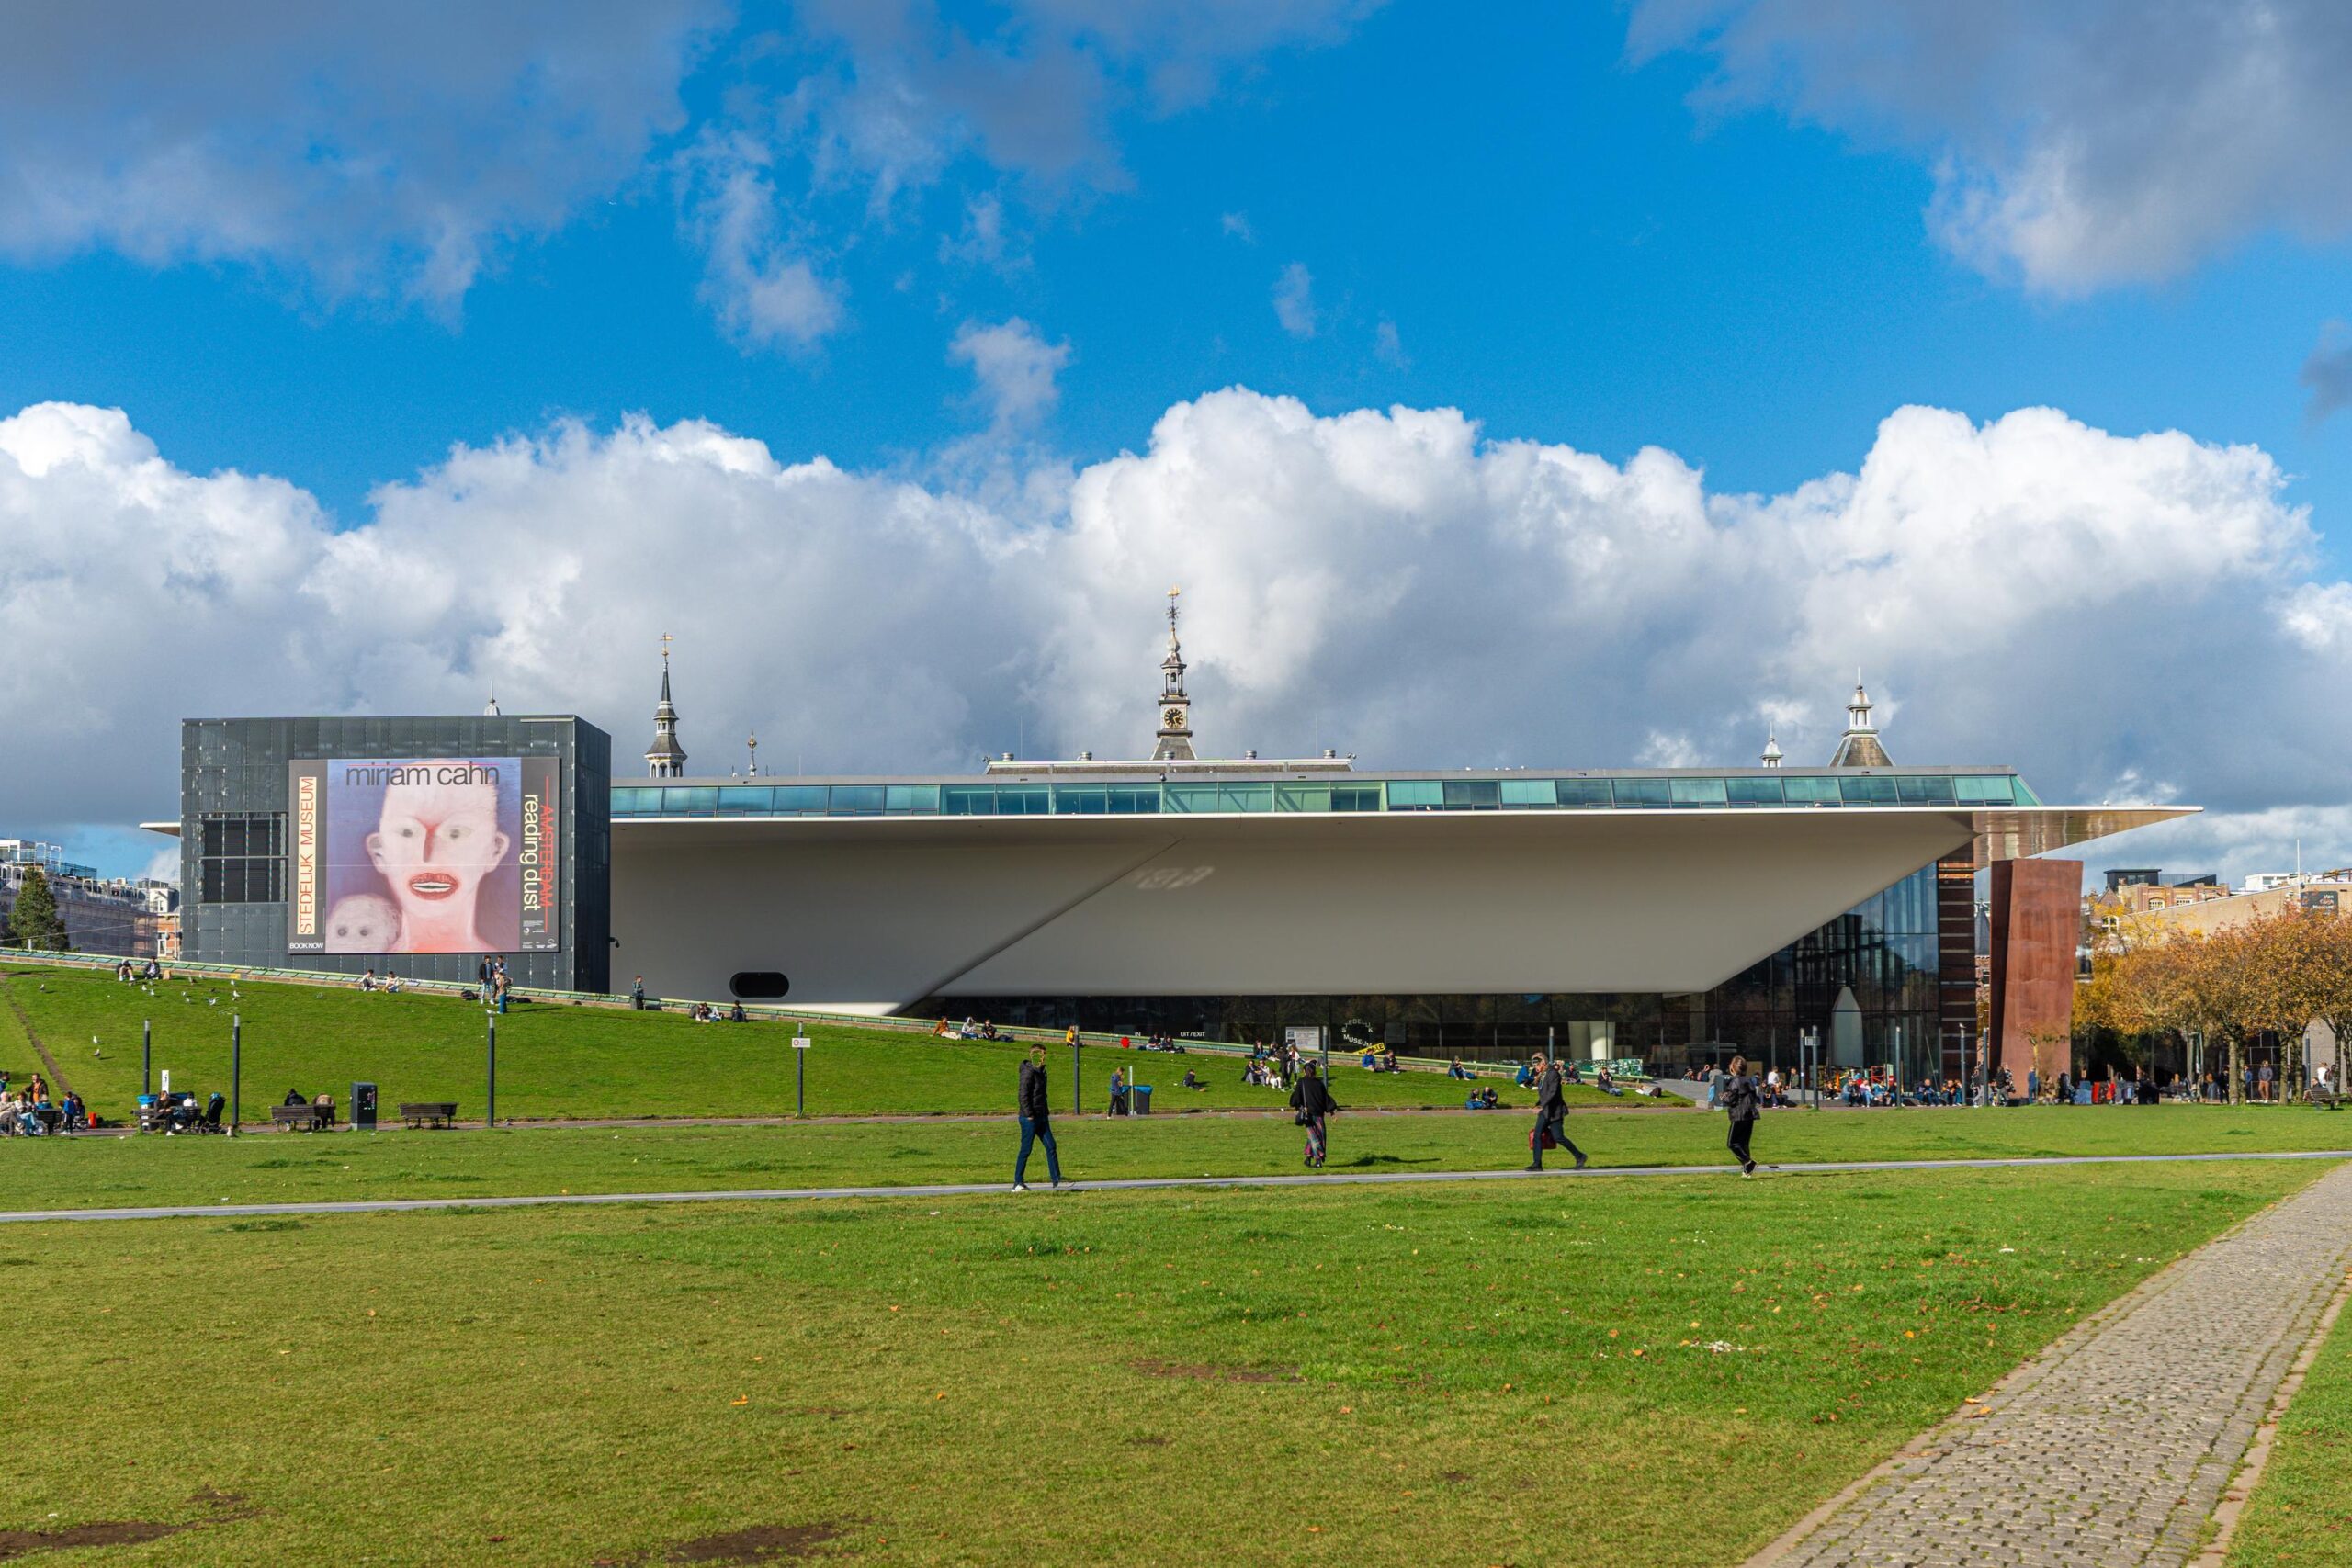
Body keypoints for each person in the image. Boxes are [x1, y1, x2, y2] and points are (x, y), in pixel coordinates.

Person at [1524, 1052, 1587, 1172]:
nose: (1536, 1068)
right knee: (1537, 1135)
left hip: (1555, 1111)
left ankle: (1580, 1156)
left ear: (1543, 1063)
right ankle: (1537, 1164)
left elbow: (1552, 1093)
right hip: (1545, 1111)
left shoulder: (1553, 1074)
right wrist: (1538, 1104)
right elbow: (1544, 1093)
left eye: (1537, 1065)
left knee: (1558, 1137)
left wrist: (1542, 1105)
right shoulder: (1542, 1075)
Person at [1013, 1044, 1062, 1191]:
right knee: (1026, 1149)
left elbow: (1041, 1095)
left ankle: (1057, 1180)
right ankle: (1017, 1182)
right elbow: (1023, 1095)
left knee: (1051, 1145)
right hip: (1030, 1119)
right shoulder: (1028, 1072)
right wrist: (1029, 1115)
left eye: (1043, 1055)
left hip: (1041, 1116)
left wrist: (1045, 1112)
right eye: (1039, 1054)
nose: (1042, 1058)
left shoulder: (1041, 1072)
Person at [1289, 1060, 1337, 1168]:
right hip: (1319, 1114)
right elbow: (1326, 1098)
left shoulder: (1301, 1082)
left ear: (1304, 1071)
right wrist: (1332, 1112)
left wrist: (1296, 1107)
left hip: (1308, 1115)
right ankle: (1308, 1158)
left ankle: (1318, 1159)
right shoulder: (1319, 1083)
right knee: (1318, 1136)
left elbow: (1297, 1097)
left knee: (1314, 1137)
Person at [1723, 1054, 1762, 1177]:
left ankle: (1748, 1162)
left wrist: (1724, 1097)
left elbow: (1730, 1099)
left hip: (1739, 1115)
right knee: (1744, 1143)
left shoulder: (1734, 1082)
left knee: (1732, 1143)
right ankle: (1747, 1171)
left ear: (1733, 1068)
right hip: (1749, 1115)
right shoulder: (1749, 1081)